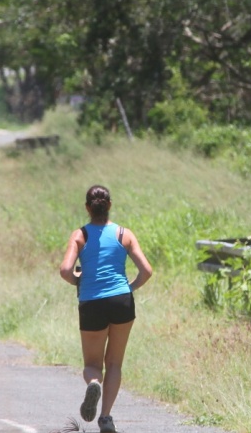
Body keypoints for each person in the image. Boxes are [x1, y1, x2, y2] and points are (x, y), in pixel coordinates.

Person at [58, 185, 154, 433]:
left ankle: (93, 383)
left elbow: (65, 271)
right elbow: (147, 271)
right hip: (122, 301)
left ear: (87, 208)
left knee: (93, 364)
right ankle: (106, 418)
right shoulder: (124, 234)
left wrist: (80, 280)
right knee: (114, 363)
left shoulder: (80, 235)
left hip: (91, 302)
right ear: (109, 205)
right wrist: (128, 288)